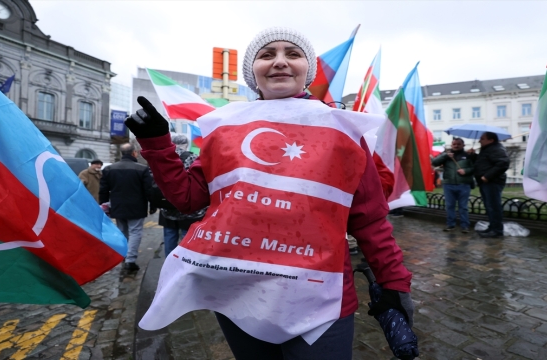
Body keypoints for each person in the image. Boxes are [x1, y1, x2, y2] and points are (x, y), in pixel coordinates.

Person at [126, 27, 414, 359]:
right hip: (238, 294)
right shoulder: (224, 127)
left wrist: (394, 282)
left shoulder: (343, 130)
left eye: (292, 54)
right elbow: (188, 198)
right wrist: (157, 144)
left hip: (320, 301)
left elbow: (370, 221)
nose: (279, 62)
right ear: (253, 72)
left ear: (308, 70)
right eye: (267, 55)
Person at [99, 143, 155, 271]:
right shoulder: (142, 169)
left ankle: (124, 255)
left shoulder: (109, 169)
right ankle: (130, 260)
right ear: (134, 153)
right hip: (137, 206)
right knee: (135, 232)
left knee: (122, 231)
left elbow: (103, 190)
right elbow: (149, 190)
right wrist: (152, 204)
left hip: (117, 206)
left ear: (121, 154)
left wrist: (104, 204)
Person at [159, 134, 207, 256]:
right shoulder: (193, 158)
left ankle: (169, 265)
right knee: (187, 238)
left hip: (167, 206)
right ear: (185, 144)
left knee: (169, 236)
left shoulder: (164, 158)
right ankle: (184, 264)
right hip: (191, 209)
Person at [469, 132, 510, 238]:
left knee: (493, 207)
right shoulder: (488, 149)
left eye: (482, 139)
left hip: (492, 182)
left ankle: (497, 230)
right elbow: (483, 162)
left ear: (491, 140)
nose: (479, 141)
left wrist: (487, 176)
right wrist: (473, 156)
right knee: (489, 206)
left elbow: (503, 163)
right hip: (485, 182)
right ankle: (492, 228)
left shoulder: (496, 148)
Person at [432, 138, 474, 233]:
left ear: (463, 145)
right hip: (448, 184)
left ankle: (465, 226)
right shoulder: (446, 155)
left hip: (463, 184)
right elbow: (434, 162)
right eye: (454, 144)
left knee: (463, 207)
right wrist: (446, 156)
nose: (456, 146)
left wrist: (465, 171)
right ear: (451, 145)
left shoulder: (467, 155)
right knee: (450, 206)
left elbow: (474, 168)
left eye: (458, 144)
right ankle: (451, 225)